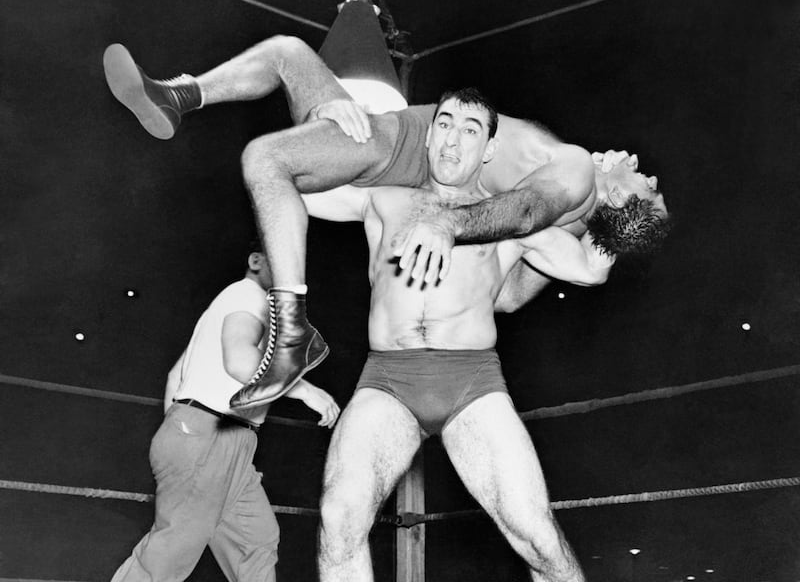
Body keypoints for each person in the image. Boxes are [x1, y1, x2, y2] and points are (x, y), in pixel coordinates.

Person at [103, 36, 668, 408]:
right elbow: (517, 275)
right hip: (406, 151)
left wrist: (451, 230)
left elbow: (515, 255)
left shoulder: (577, 175)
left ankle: (292, 331)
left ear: (620, 197)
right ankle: (176, 96)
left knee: (276, 123)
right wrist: (592, 254)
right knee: (289, 75)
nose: (641, 164)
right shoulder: (570, 211)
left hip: (413, 147)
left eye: (648, 184)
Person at [299, 88, 662, 582]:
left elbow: (590, 269)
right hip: (387, 380)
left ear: (489, 149)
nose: (453, 139)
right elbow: (299, 185)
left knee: (535, 535)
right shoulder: (383, 199)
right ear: (428, 136)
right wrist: (323, 117)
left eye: (470, 130)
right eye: (444, 124)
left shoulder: (507, 220)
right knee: (339, 520)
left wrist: (615, 196)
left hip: (471, 384)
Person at [110, 242, 340, 582]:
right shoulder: (249, 295)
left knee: (255, 540)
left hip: (221, 440)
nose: (290, 270)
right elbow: (240, 361)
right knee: (172, 551)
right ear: (256, 261)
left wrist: (182, 430)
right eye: (281, 259)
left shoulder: (230, 305)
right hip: (211, 433)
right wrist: (306, 390)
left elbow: (175, 376)